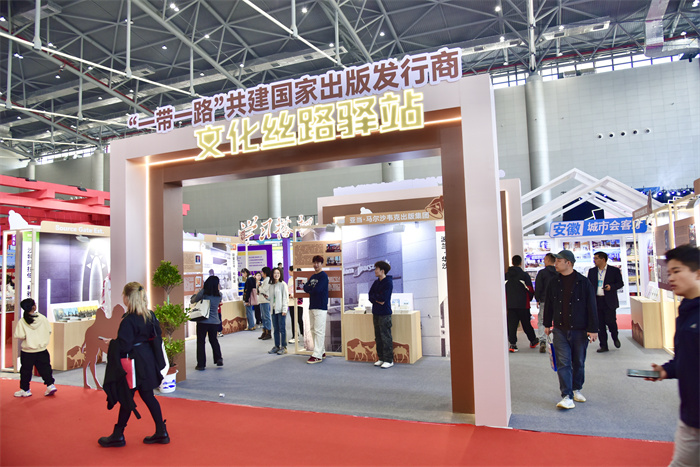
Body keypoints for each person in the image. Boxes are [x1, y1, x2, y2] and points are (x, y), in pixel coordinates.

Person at [645, 245, 699, 467]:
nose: (671, 278)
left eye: (677, 271)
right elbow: (688, 357)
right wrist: (667, 370)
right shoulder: (686, 311)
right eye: (669, 272)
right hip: (691, 414)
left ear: (697, 273)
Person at [98, 282, 169, 447]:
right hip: (147, 360)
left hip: (134, 363)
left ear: (128, 298)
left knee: (127, 397)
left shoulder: (128, 320)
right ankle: (161, 431)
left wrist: (112, 343)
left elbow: (124, 346)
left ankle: (118, 435)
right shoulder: (150, 316)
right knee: (147, 396)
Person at [544, 249, 598, 410]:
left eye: (559, 261)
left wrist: (593, 329)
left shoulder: (583, 282)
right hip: (559, 329)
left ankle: (576, 389)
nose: (555, 264)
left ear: (569, 263)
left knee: (578, 361)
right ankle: (566, 395)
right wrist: (547, 324)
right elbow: (549, 304)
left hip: (580, 329)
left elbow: (591, 306)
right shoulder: (554, 282)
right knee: (563, 362)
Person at [13, 298, 57, 398]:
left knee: (25, 371)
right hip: (42, 349)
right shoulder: (42, 318)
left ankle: (25, 390)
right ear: (34, 307)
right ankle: (50, 385)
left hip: (28, 351)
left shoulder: (22, 321)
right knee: (45, 368)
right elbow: (49, 331)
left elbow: (20, 335)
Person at [587, 251, 624, 352]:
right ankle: (603, 345)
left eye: (596, 258)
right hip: (597, 300)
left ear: (603, 259)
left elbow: (620, 283)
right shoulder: (592, 271)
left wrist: (611, 287)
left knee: (611, 321)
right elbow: (588, 285)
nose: (594, 260)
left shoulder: (614, 270)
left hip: (609, 300)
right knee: (600, 324)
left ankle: (615, 337)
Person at [505, 255, 538, 352]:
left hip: (510, 304)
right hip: (523, 304)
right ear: (520, 263)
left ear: (512, 262)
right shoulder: (524, 275)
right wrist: (529, 299)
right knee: (526, 324)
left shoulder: (506, 275)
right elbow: (530, 289)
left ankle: (512, 344)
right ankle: (533, 340)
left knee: (512, 325)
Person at [190, 275, 223, 370]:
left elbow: (193, 300)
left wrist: (195, 294)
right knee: (214, 340)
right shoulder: (219, 295)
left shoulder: (203, 293)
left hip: (203, 320)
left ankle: (201, 364)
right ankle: (218, 358)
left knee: (201, 342)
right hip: (214, 321)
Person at [303, 255, 329, 364]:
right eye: (314, 262)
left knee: (319, 331)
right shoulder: (313, 276)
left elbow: (317, 290)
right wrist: (311, 288)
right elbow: (305, 287)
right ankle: (321, 351)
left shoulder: (323, 276)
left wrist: (310, 288)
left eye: (318, 263)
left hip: (320, 306)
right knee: (313, 330)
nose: (316, 265)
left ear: (322, 264)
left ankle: (317, 355)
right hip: (312, 306)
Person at [369, 261, 394, 369]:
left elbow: (383, 299)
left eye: (376, 269)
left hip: (385, 313)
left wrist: (376, 298)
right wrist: (376, 298)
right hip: (376, 312)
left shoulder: (388, 282)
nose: (375, 271)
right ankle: (381, 358)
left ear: (382, 271)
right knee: (378, 337)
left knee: (385, 337)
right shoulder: (376, 282)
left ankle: (389, 360)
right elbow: (370, 296)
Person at [534, 253, 557, 353]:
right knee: (557, 321)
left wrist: (537, 299)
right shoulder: (558, 272)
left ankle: (542, 340)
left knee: (542, 320)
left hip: (545, 300)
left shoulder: (542, 273)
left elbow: (538, 287)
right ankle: (558, 340)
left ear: (547, 260)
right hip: (557, 301)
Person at [268, 268, 289, 355]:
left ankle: (284, 347)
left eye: (278, 273)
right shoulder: (271, 285)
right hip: (273, 310)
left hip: (281, 310)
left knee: (282, 329)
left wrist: (284, 309)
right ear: (272, 275)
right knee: (275, 329)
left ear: (280, 274)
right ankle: (277, 346)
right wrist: (266, 297)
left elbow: (285, 298)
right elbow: (271, 298)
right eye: (275, 273)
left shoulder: (283, 284)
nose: (276, 275)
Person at [287, 265, 304, 344]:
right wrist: (289, 295)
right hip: (291, 302)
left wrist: (293, 295)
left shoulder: (300, 279)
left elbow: (301, 291)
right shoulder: (290, 280)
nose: (288, 272)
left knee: (299, 319)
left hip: (299, 302)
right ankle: (295, 336)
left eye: (290, 270)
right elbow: (288, 290)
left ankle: (303, 334)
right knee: (293, 319)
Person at [257, 267, 272, 340]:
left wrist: (259, 286)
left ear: (265, 273)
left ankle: (268, 332)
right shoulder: (265, 280)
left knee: (266, 316)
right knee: (263, 317)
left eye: (262, 272)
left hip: (265, 301)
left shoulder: (268, 280)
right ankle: (265, 331)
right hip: (262, 300)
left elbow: (264, 290)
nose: (261, 273)